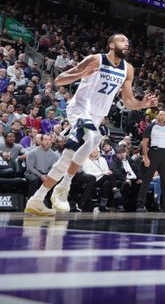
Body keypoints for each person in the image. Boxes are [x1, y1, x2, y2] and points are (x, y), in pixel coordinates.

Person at [24, 34, 157, 216]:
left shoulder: (128, 69)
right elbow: (59, 79)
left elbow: (128, 101)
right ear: (111, 45)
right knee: (93, 136)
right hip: (79, 109)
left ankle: (37, 199)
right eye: (122, 41)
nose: (127, 44)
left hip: (97, 116)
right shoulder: (96, 59)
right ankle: (63, 187)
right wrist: (80, 74)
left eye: (128, 41)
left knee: (69, 156)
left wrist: (142, 105)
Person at [136, 110, 165, 212]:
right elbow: (144, 143)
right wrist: (145, 157)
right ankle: (140, 205)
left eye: (164, 115)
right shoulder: (151, 126)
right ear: (157, 115)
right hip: (154, 153)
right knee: (147, 179)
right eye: (161, 114)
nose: (162, 116)